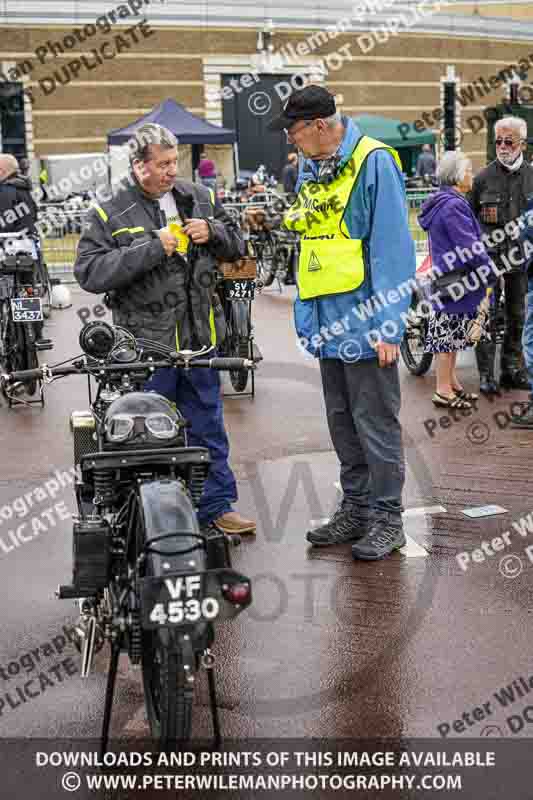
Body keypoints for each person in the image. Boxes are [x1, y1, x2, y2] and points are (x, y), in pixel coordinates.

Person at [74, 123, 256, 536]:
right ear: (138, 166)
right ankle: (148, 515)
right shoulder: (108, 209)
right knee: (147, 434)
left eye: (175, 162)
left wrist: (215, 232)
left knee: (208, 425)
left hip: (200, 341)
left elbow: (239, 243)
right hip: (145, 348)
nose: (172, 171)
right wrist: (154, 247)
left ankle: (215, 506)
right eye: (162, 164)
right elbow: (89, 272)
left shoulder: (200, 197)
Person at [268, 85, 416, 561]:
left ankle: (388, 519)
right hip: (330, 325)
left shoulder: (375, 161)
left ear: (318, 126)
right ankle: (356, 509)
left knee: (375, 423)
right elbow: (316, 241)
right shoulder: (312, 168)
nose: (291, 141)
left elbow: (392, 250)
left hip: (368, 324)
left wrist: (390, 327)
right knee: (342, 423)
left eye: (294, 132)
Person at [418, 152, 494, 409]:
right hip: (457, 282)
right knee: (447, 339)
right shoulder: (453, 205)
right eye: (469, 170)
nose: (472, 175)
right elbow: (469, 246)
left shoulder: (444, 202)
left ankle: (451, 384)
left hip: (448, 278)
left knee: (451, 336)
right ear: (457, 176)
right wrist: (489, 269)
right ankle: (442, 390)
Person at [469, 116, 533, 393]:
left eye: (509, 141)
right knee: (487, 315)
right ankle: (486, 375)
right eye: (498, 141)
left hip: (521, 258)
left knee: (517, 314)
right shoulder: (482, 178)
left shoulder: (532, 175)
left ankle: (511, 368)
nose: (503, 146)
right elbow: (469, 218)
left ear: (522, 144)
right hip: (489, 259)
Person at [0, 153, 39, 235]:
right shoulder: (24, 187)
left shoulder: (5, 190)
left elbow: (5, 223)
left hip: (11, 242)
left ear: (1, 171)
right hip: (28, 239)